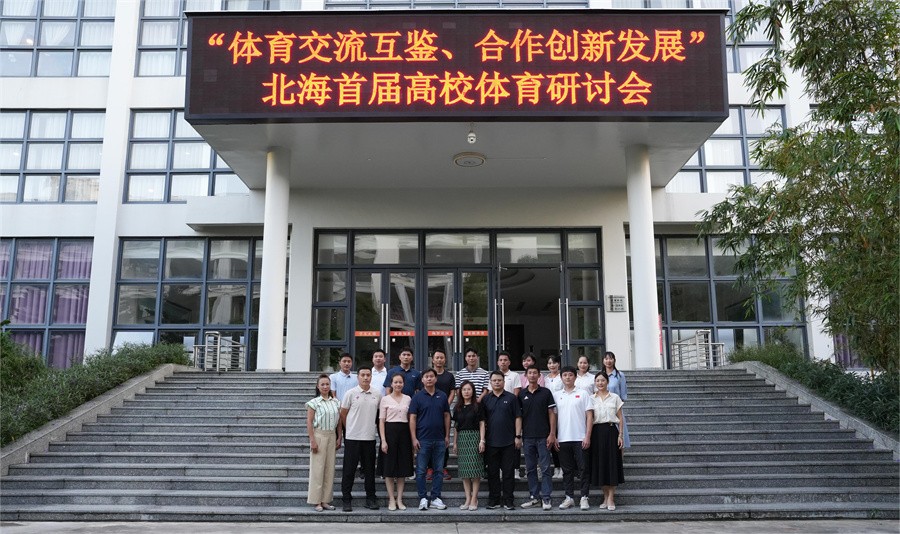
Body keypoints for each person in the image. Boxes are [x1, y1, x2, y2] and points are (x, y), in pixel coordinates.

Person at [339, 366, 381, 512]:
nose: (365, 377)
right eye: (362, 375)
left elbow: (379, 416)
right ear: (358, 377)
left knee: (369, 471)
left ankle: (371, 498)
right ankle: (346, 499)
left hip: (369, 437)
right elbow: (343, 414)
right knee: (349, 470)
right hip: (352, 437)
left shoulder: (377, 394)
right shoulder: (350, 393)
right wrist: (349, 428)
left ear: (371, 377)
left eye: (368, 375)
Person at [408, 368, 451, 511]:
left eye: (431, 376)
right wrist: (414, 438)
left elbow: (446, 416)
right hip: (422, 440)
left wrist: (447, 435)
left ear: (436, 379)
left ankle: (435, 497)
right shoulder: (417, 397)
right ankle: (423, 498)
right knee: (421, 471)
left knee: (438, 470)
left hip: (439, 439)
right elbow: (412, 418)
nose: (429, 379)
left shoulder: (442, 396)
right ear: (422, 380)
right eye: (426, 376)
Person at [553, 365, 593, 511]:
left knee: (583, 468)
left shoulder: (583, 393)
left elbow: (590, 416)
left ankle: (584, 497)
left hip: (580, 437)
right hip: (563, 438)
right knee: (567, 470)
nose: (568, 377)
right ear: (561, 378)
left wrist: (587, 436)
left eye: (570, 375)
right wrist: (554, 436)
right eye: (565, 375)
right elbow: (553, 417)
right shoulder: (556, 395)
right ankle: (569, 497)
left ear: (575, 377)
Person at [482, 370, 522, 511]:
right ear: (490, 382)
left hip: (509, 442)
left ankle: (508, 500)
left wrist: (518, 436)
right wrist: (482, 440)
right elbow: (482, 421)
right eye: (494, 380)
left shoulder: (512, 398)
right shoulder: (486, 399)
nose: (497, 382)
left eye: (499, 380)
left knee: (508, 473)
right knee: (492, 473)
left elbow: (518, 417)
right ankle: (494, 500)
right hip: (491, 442)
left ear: (504, 382)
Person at [518, 366, 557, 511]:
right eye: (530, 373)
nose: (532, 375)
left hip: (543, 436)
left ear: (539, 375)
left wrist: (552, 433)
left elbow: (552, 413)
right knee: (530, 469)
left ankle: (546, 497)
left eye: (535, 373)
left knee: (545, 468)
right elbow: (518, 417)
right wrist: (518, 435)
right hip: (528, 437)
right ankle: (534, 497)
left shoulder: (546, 392)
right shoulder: (521, 394)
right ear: (526, 376)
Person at [589, 371, 625, 511]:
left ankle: (611, 497)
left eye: (603, 380)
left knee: (612, 464)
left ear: (607, 382)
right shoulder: (591, 399)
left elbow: (620, 418)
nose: (600, 383)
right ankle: (605, 496)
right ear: (595, 383)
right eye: (598, 381)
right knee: (601, 465)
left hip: (611, 432)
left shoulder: (615, 397)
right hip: (596, 433)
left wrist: (620, 435)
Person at [306, 374, 342, 512]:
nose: (325, 387)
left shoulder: (336, 402)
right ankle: (316, 501)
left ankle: (326, 500)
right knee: (318, 469)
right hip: (319, 435)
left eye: (327, 384)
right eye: (322, 384)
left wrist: (339, 437)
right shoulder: (314, 403)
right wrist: (312, 440)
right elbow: (309, 422)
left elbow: (339, 421)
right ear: (318, 386)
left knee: (329, 469)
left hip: (332, 435)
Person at [379, 373, 413, 511]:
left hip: (404, 433)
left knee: (402, 469)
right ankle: (391, 499)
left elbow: (411, 419)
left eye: (400, 382)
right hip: (389, 433)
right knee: (389, 468)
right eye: (395, 382)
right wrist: (383, 440)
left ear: (403, 384)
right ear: (391, 384)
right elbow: (381, 421)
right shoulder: (385, 399)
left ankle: (399, 499)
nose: (398, 384)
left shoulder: (408, 399)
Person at [452, 380, 486, 511]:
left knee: (475, 471)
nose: (466, 392)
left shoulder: (478, 406)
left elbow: (482, 423)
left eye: (469, 389)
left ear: (473, 391)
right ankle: (467, 498)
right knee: (464, 472)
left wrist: (482, 440)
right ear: (460, 392)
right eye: (464, 389)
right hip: (462, 439)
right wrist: (455, 443)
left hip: (475, 437)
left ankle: (474, 499)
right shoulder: (457, 407)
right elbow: (456, 427)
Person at [429, 348, 456, 482]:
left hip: (444, 412)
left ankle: (443, 467)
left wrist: (445, 404)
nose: (439, 360)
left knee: (444, 439)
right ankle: (429, 467)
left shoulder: (449, 376)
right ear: (433, 360)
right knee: (428, 439)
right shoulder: (429, 375)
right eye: (437, 358)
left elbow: (452, 392)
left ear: (445, 360)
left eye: (442, 358)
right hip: (429, 412)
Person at [603, 351, 630, 448]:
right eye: (606, 359)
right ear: (603, 361)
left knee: (620, 436)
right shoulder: (600, 376)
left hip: (616, 408)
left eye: (610, 358)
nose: (608, 361)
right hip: (603, 409)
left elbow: (623, 394)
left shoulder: (620, 375)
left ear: (614, 360)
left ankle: (620, 456)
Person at [543, 354, 564, 480]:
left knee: (559, 440)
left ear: (558, 364)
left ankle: (562, 467)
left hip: (561, 411)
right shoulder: (545, 379)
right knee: (552, 438)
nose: (552, 365)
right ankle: (556, 467)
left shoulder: (562, 377)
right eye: (549, 363)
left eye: (554, 363)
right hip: (549, 413)